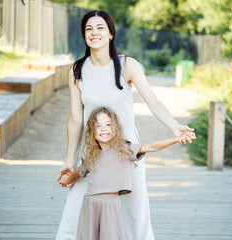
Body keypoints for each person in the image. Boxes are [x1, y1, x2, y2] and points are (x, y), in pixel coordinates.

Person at [56, 10, 196, 240]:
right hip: (92, 152)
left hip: (127, 151)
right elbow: (76, 119)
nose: (94, 33)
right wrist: (69, 161)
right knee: (76, 208)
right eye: (89, 29)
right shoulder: (76, 71)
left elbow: (153, 102)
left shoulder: (127, 65)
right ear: (83, 35)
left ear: (110, 34)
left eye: (100, 27)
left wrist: (175, 126)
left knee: (135, 214)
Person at [59, 106, 189, 240]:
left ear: (115, 128)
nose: (104, 129)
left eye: (108, 124)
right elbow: (80, 171)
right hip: (89, 203)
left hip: (110, 204)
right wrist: (67, 179)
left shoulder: (124, 149)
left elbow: (151, 146)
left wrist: (176, 139)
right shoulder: (92, 155)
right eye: (98, 126)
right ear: (92, 132)